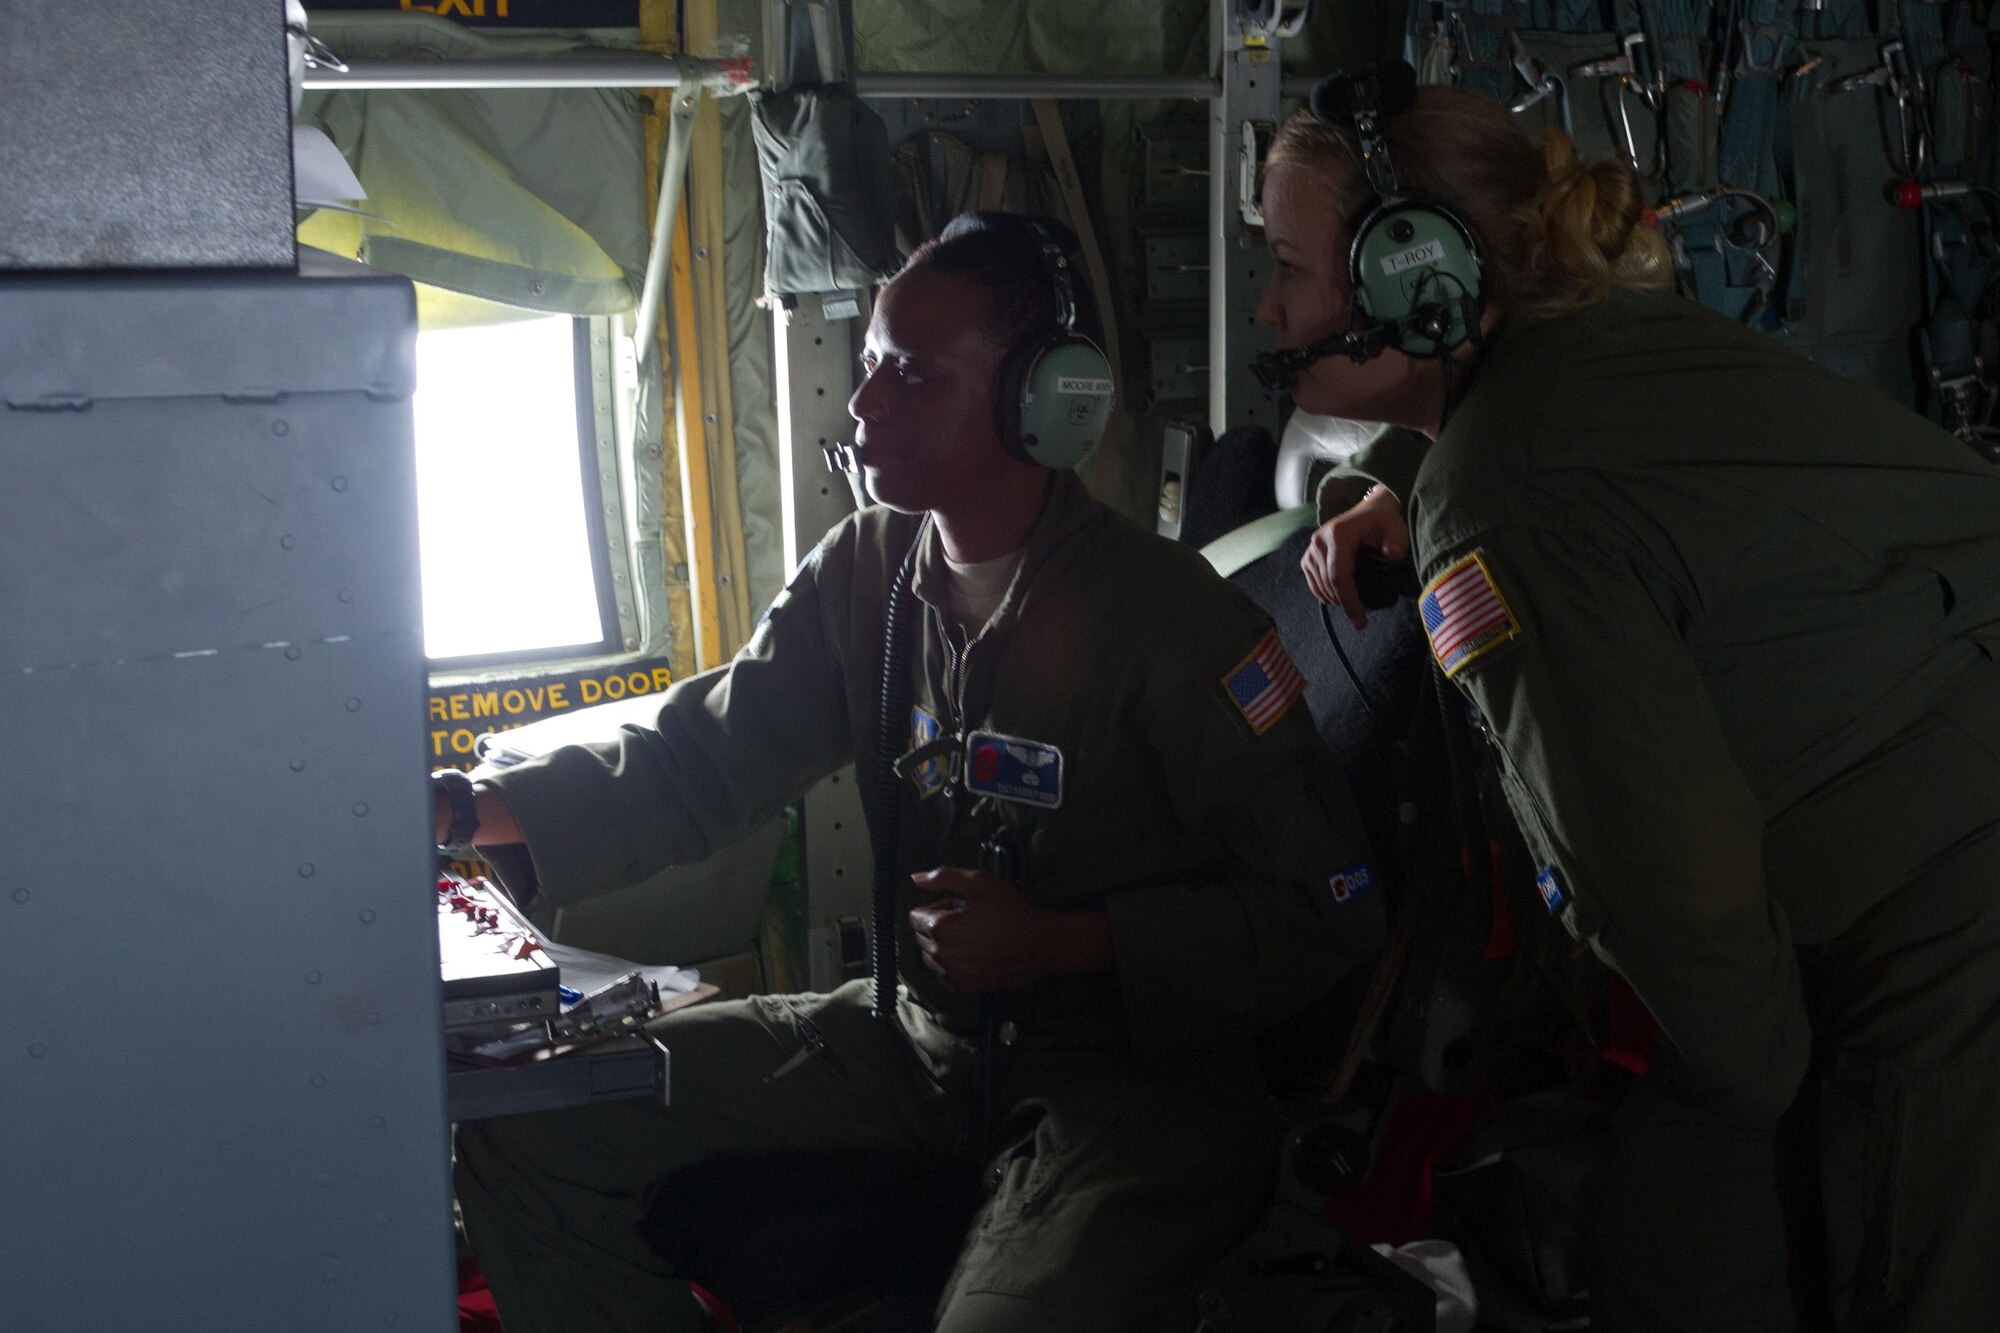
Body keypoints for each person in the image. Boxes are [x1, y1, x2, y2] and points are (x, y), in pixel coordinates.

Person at [445, 212, 1385, 1332]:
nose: (861, 404)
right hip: (916, 1037)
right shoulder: (868, 570)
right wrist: (462, 810)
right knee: (517, 1125)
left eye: (911, 374)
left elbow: (1329, 909)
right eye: (868, 362)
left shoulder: (1172, 624)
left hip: (1133, 1090)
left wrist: (1068, 943)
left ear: (1034, 405)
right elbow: (705, 756)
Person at [1256, 69, 2000, 1332]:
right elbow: (1559, 463)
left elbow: (1681, 910)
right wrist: (1406, 487)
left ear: (1416, 279)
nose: (1267, 307)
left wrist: (1735, 1106)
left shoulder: (1501, 505)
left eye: (1286, 264)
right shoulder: (1580, 347)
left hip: (1951, 887)